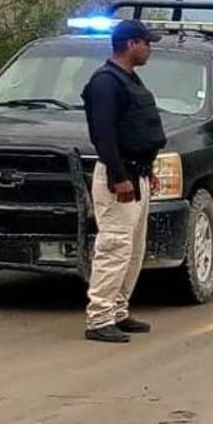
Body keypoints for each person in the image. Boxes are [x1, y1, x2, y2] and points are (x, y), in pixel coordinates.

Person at [80, 20, 165, 343]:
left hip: (138, 172)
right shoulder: (106, 82)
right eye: (147, 43)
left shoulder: (128, 79)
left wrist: (148, 170)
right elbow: (104, 134)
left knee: (133, 250)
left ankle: (117, 310)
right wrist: (119, 176)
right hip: (120, 177)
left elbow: (136, 129)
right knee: (115, 247)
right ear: (130, 44)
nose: (149, 49)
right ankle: (99, 317)